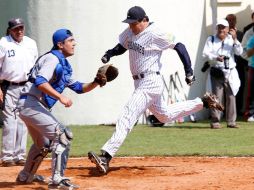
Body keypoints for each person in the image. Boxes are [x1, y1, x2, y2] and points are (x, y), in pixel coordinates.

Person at [88, 6, 224, 174]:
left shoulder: (155, 33)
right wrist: (109, 53)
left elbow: (179, 46)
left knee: (128, 114)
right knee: (163, 115)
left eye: (134, 23)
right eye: (129, 23)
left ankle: (106, 156)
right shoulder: (130, 31)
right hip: (139, 82)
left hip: (150, 81)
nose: (131, 26)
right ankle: (203, 102)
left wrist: (188, 71)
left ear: (144, 20)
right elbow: (123, 46)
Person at [15, 29, 106, 189]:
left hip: (28, 104)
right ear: (60, 44)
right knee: (62, 135)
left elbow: (78, 87)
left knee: (42, 144)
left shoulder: (62, 63)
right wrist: (60, 97)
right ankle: (57, 180)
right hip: (31, 103)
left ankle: (25, 176)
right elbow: (41, 81)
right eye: (70, 40)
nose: (74, 43)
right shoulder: (52, 59)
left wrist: (96, 82)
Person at [0, 18, 38, 167]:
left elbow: (35, 66)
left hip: (27, 86)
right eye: (16, 28)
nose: (19, 31)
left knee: (23, 120)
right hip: (9, 86)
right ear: (10, 30)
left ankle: (20, 155)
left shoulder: (31, 43)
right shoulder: (3, 43)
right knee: (10, 121)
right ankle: (8, 156)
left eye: (21, 28)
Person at [202, 19, 243, 129]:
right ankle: (215, 121)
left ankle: (231, 121)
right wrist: (216, 57)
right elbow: (205, 53)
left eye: (223, 27)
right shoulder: (210, 39)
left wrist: (235, 39)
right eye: (219, 27)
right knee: (216, 98)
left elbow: (239, 52)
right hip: (217, 71)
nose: (221, 30)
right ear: (216, 28)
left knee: (231, 96)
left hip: (230, 72)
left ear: (228, 29)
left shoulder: (232, 39)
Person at [226, 14, 248, 116]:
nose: (230, 22)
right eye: (228, 20)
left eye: (232, 20)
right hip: (226, 66)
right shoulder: (222, 34)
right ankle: (225, 110)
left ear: (235, 21)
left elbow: (244, 50)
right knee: (226, 88)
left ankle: (238, 110)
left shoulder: (240, 34)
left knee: (239, 87)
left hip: (239, 65)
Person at [244, 34, 254, 122]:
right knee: (251, 92)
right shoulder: (252, 39)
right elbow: (248, 54)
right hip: (253, 67)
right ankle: (250, 114)